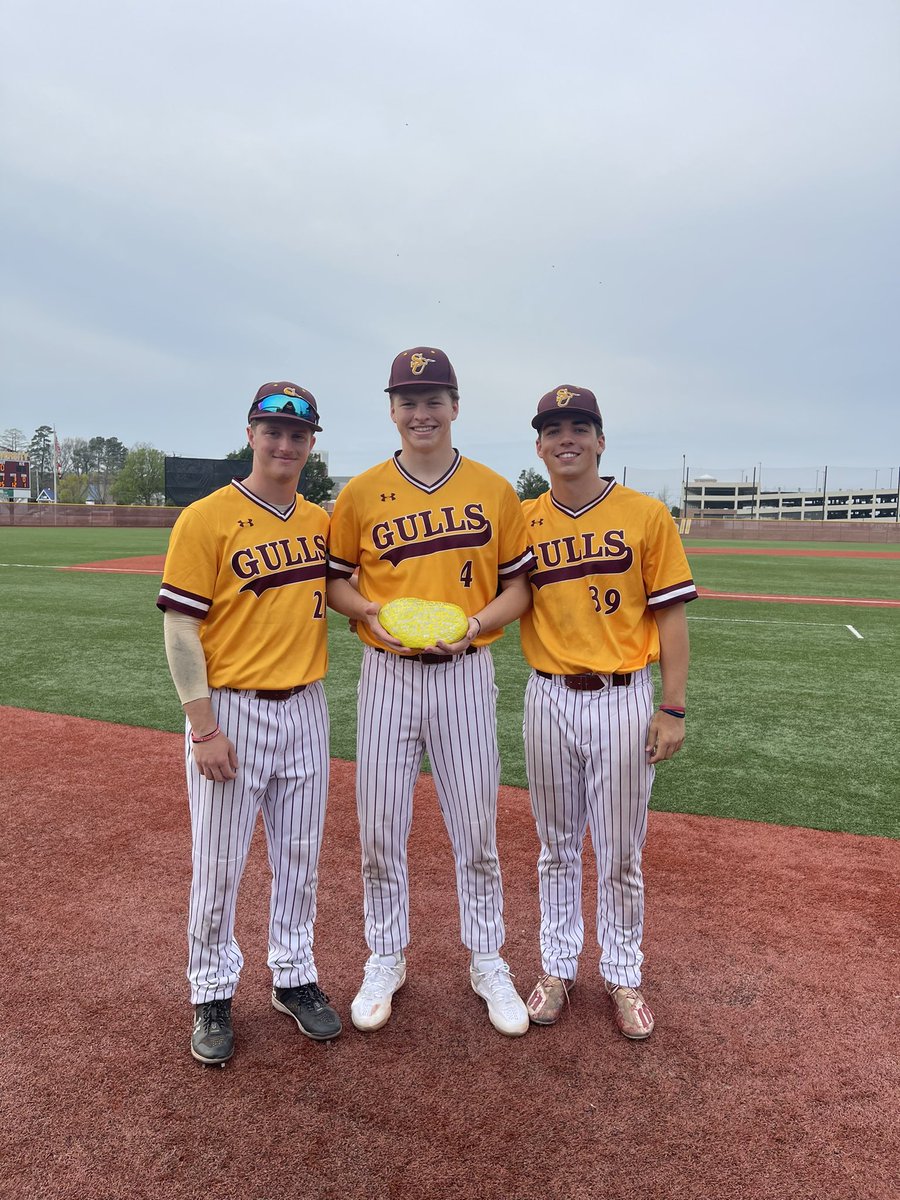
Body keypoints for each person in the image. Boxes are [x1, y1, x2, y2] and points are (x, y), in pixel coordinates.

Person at [327, 346, 535, 1037]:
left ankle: (487, 958)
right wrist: (369, 614)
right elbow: (334, 581)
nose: (422, 412)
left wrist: (474, 624)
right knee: (381, 827)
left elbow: (519, 587)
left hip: (467, 674)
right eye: (409, 400)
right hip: (387, 675)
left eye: (434, 398)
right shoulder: (358, 494)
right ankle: (386, 955)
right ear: (392, 409)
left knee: (475, 827)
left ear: (455, 405)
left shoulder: (494, 489)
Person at [157, 382, 342, 1065]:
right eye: (273, 431)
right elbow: (181, 628)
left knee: (300, 859)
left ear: (311, 443)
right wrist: (202, 726)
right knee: (220, 865)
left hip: (306, 707)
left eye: (297, 435)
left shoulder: (320, 522)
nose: (284, 444)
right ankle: (209, 992)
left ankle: (293, 977)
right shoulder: (206, 518)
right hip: (231, 708)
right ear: (251, 434)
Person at [519, 385, 697, 1038]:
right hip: (547, 697)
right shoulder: (524, 521)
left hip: (622, 697)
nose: (566, 437)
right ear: (539, 446)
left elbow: (670, 616)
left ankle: (622, 973)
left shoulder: (645, 516)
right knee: (556, 847)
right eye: (554, 428)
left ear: (600, 440)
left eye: (579, 426)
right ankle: (558, 968)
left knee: (620, 851)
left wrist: (672, 707)